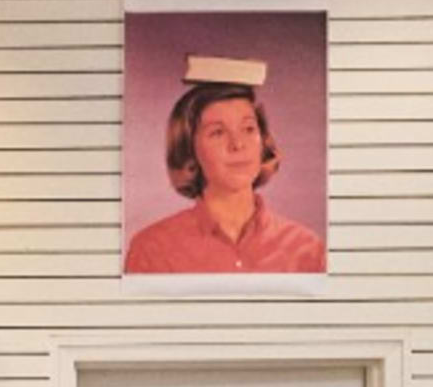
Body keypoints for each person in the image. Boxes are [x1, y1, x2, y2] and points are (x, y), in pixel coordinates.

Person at [125, 55, 327, 274]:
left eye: (248, 129)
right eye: (218, 133)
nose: (238, 144)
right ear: (189, 149)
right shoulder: (152, 250)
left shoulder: (307, 250)